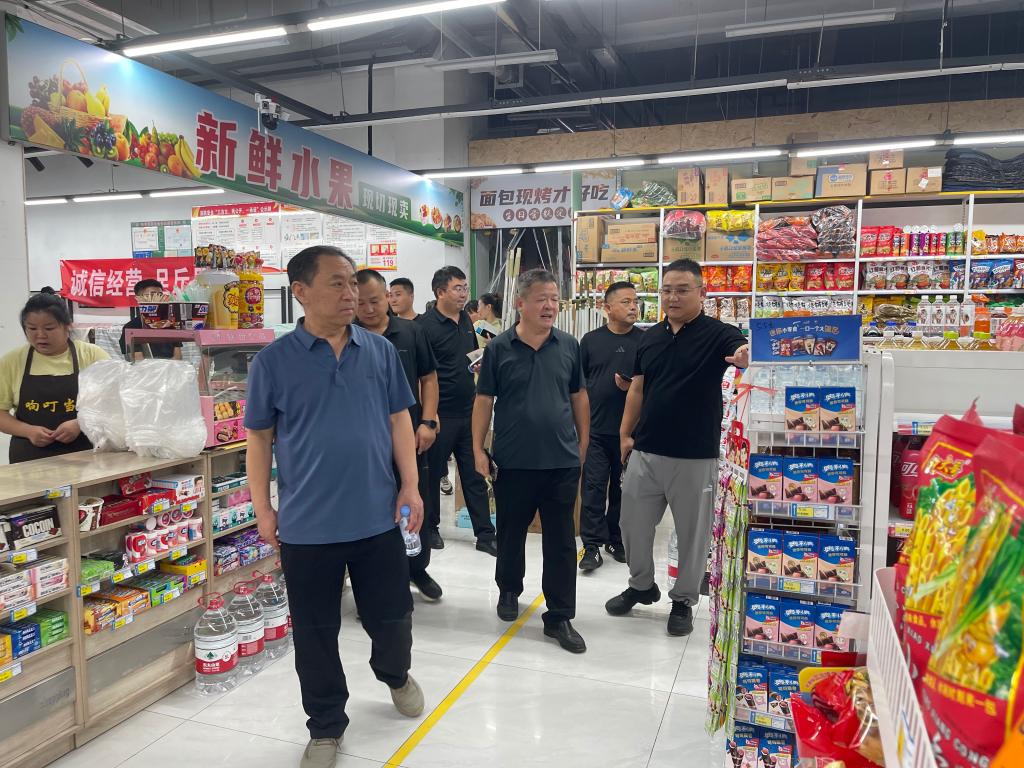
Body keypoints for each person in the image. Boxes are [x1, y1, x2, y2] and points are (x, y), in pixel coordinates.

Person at [244, 246, 425, 768]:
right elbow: (259, 439)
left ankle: (394, 673)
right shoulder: (273, 362)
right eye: (337, 283)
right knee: (316, 634)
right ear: (300, 291)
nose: (351, 294)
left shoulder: (379, 351)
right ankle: (325, 725)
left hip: (377, 517)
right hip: (307, 526)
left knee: (392, 620)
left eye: (352, 283)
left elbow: (399, 420)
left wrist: (411, 486)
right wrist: (262, 509)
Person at [606, 259, 749, 637]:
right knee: (631, 524)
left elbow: (741, 349)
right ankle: (641, 585)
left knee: (692, 534)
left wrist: (745, 356)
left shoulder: (719, 334)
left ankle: (683, 600)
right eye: (667, 290)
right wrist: (625, 435)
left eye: (682, 290)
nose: (673, 297)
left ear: (702, 293)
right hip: (647, 450)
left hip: (695, 456)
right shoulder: (649, 337)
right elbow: (637, 388)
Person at [473, 269, 590, 654]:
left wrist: (583, 444)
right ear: (520, 302)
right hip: (513, 460)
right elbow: (484, 401)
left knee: (561, 540)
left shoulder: (569, 345)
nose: (550, 305)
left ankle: (560, 615)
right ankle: (509, 589)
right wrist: (477, 449)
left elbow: (579, 397)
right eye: (542, 298)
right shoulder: (498, 348)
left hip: (560, 461)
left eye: (554, 299)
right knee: (510, 531)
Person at [355, 268, 443, 601]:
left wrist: (429, 421)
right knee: (371, 508)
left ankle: (416, 568)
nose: (368, 309)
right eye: (360, 303)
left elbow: (429, 379)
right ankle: (374, 583)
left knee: (415, 501)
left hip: (409, 435)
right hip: (365, 441)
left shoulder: (410, 332)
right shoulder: (347, 336)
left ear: (388, 297)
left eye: (375, 301)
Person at [417, 266, 497, 555]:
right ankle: (430, 529)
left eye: (465, 288)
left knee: (475, 473)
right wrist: (429, 415)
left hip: (469, 411)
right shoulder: (424, 326)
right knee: (433, 474)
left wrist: (480, 361)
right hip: (441, 414)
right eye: (458, 288)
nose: (464, 294)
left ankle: (485, 535)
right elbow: (420, 374)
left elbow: (476, 350)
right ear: (440, 292)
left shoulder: (466, 320)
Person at [578, 281, 643, 572]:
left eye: (635, 302)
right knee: (592, 489)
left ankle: (616, 539)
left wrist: (632, 387)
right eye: (626, 302)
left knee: (623, 491)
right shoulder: (590, 341)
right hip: (595, 430)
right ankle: (591, 546)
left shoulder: (645, 341)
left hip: (630, 434)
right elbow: (578, 386)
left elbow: (653, 385)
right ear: (607, 308)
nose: (633, 307)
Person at [0, 293, 109, 463]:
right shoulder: (12, 361)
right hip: (29, 459)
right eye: (32, 329)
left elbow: (113, 403)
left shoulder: (92, 355)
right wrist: (28, 431)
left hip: (86, 454)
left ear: (67, 326)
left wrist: (80, 423)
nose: (40, 335)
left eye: (49, 328)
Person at [119, 279, 182, 360]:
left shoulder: (171, 324)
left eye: (160, 295)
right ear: (139, 299)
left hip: (171, 367)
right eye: (152, 295)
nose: (157, 299)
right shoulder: (131, 327)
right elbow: (138, 361)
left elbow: (178, 357)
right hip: (146, 368)